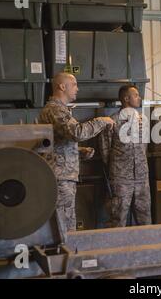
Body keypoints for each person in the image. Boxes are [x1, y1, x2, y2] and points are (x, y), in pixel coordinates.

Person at [39, 73, 114, 237]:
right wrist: (102, 121)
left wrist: (78, 152)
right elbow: (77, 132)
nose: (77, 88)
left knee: (65, 223)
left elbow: (56, 143)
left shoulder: (59, 110)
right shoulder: (55, 110)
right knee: (65, 227)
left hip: (62, 176)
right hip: (60, 179)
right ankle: (67, 259)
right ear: (62, 86)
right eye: (73, 84)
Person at [98, 85, 151, 227]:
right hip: (121, 179)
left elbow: (144, 147)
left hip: (141, 178)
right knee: (118, 219)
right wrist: (117, 169)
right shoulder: (112, 121)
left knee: (145, 219)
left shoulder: (143, 121)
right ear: (126, 98)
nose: (139, 98)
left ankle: (147, 249)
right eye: (136, 95)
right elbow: (105, 150)